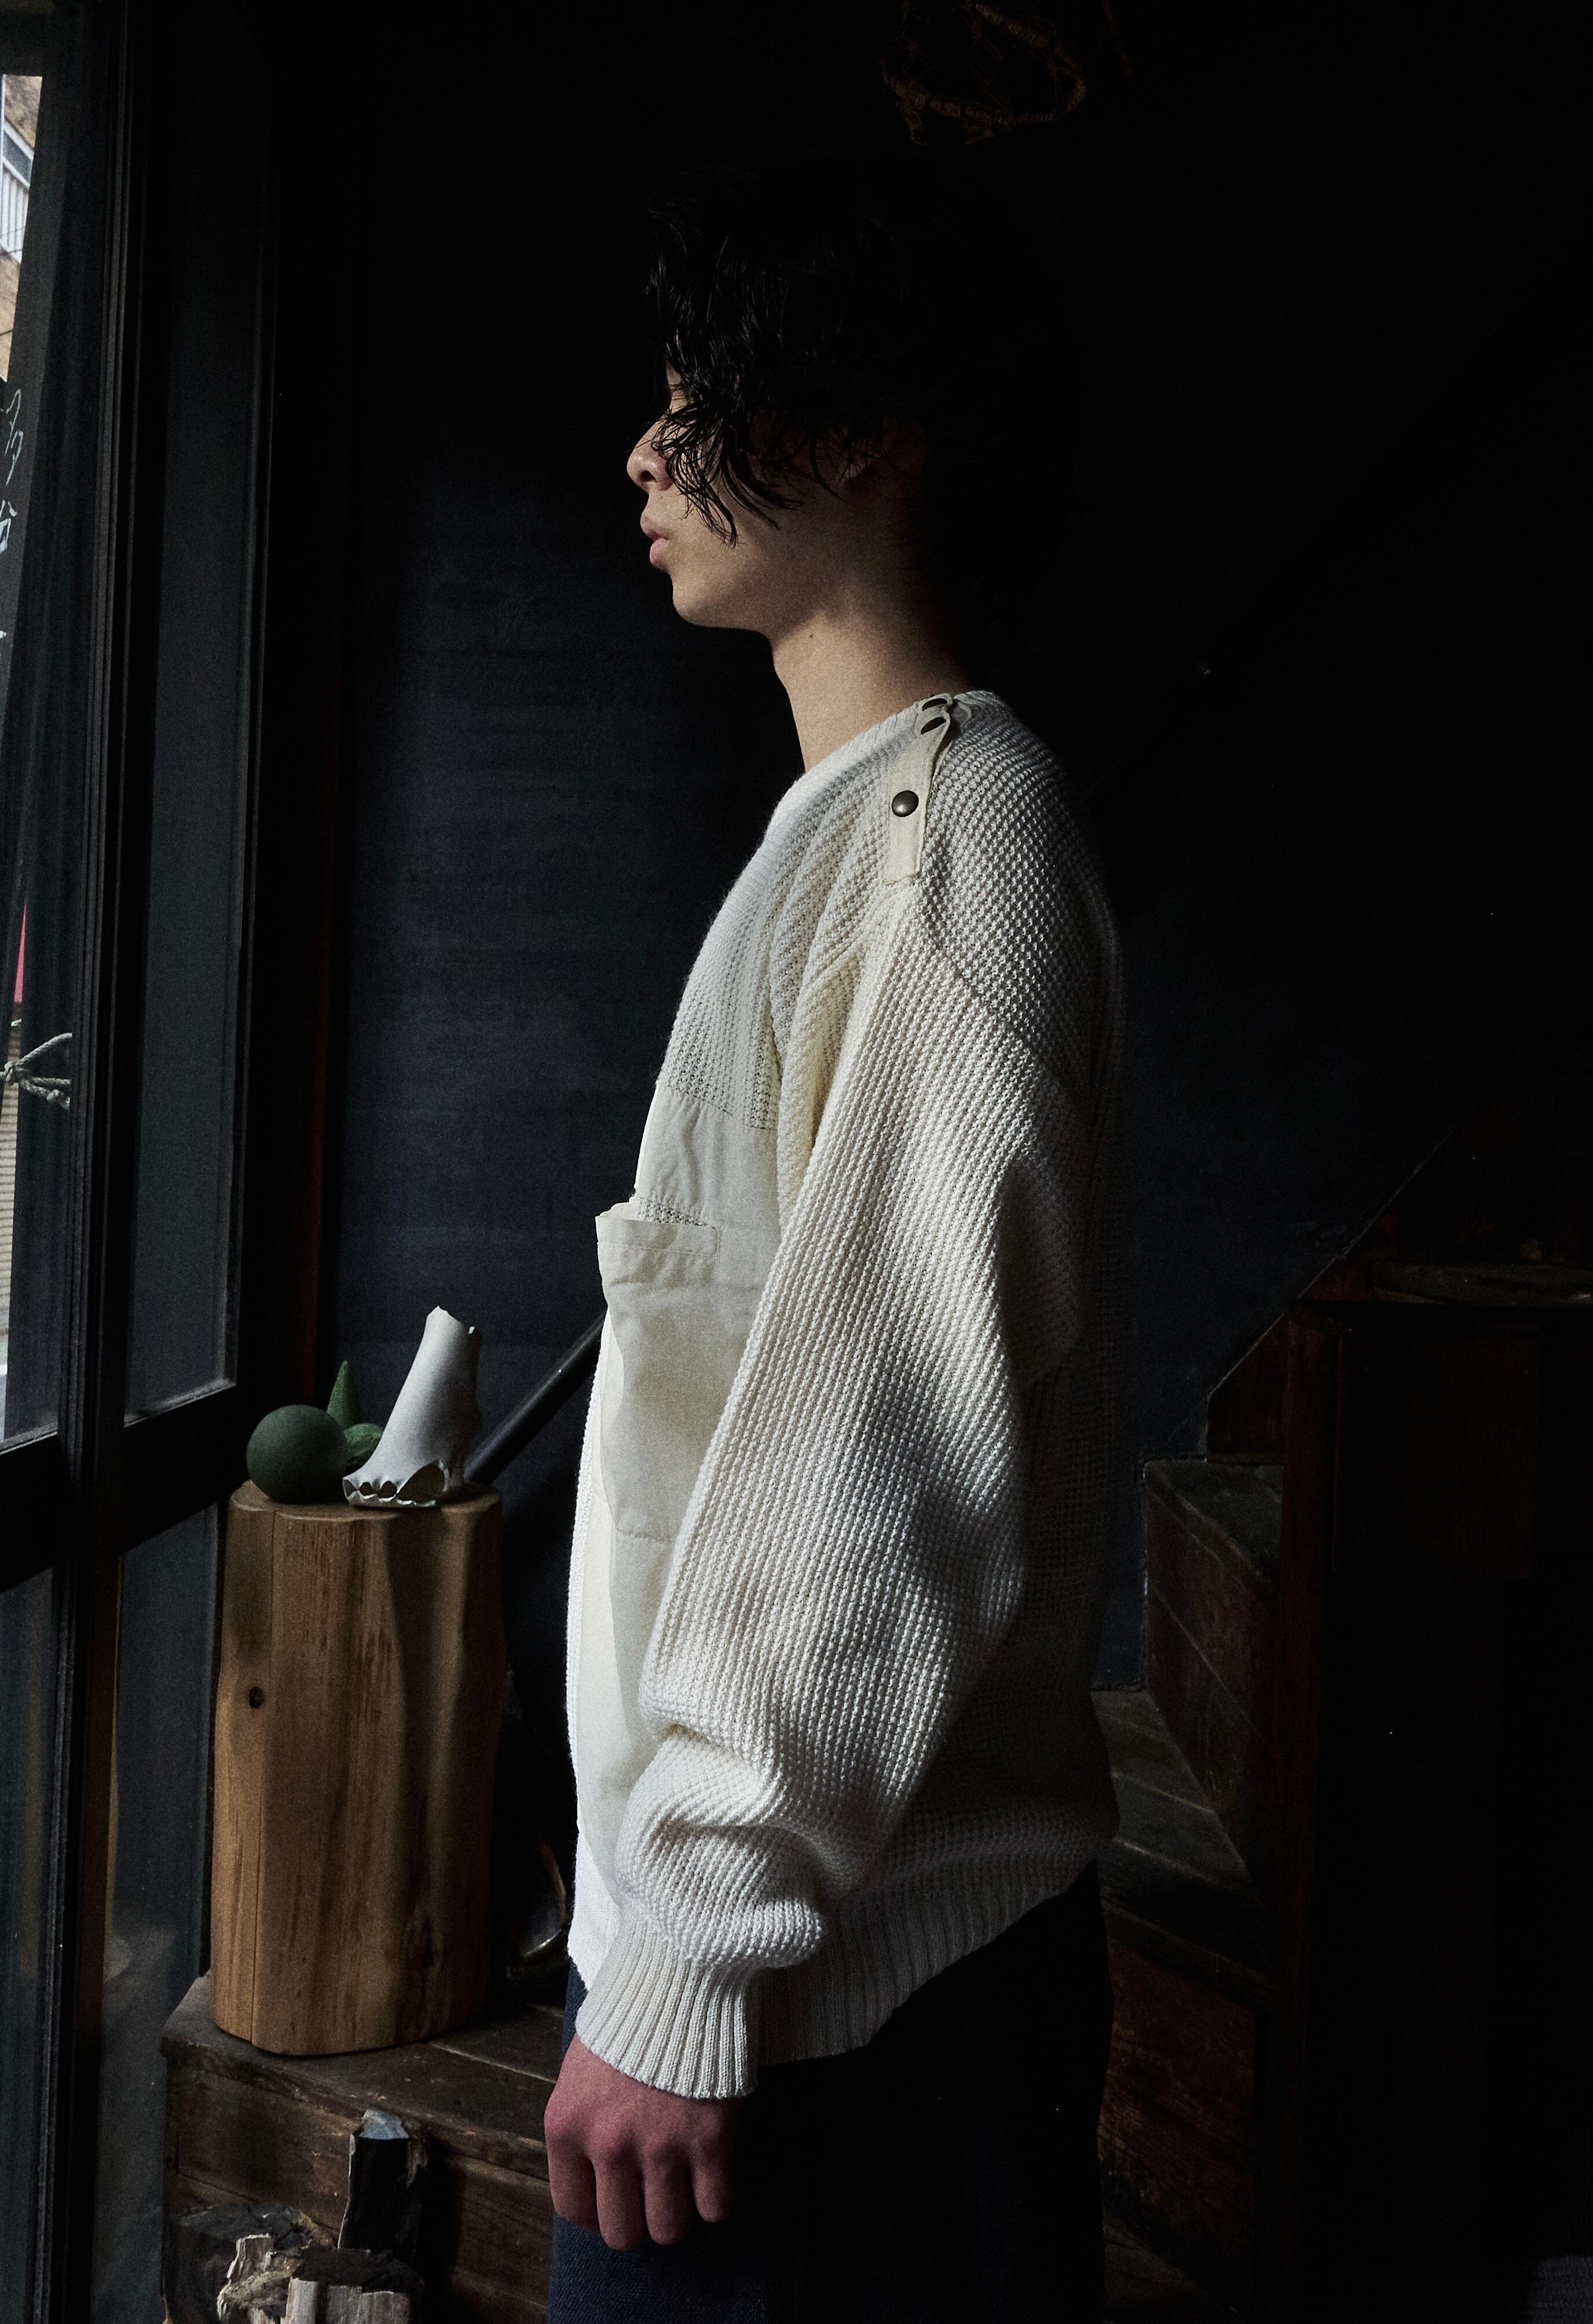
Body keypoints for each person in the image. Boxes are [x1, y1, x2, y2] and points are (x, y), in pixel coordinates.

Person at [543, 152, 1125, 2322]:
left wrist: (692, 1943)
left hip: (836, 2018)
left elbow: (885, 1435)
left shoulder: (949, 845)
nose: (645, 452)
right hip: (803, 1985)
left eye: (699, 395)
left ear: (868, 430)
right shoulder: (877, 826)